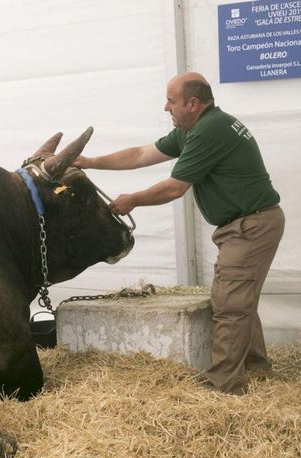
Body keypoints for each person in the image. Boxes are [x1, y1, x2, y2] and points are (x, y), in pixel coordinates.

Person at [74, 72, 284, 395]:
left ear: (192, 103)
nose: (165, 108)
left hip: (251, 225)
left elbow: (174, 188)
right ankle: (256, 369)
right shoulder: (192, 130)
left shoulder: (209, 130)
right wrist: (90, 162)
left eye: (171, 102)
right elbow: (141, 154)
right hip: (246, 224)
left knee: (229, 302)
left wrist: (133, 200)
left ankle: (222, 385)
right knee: (239, 298)